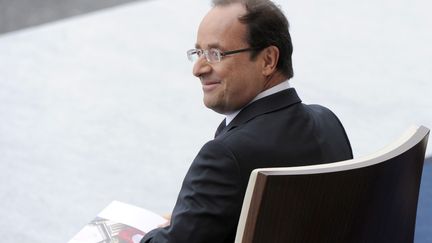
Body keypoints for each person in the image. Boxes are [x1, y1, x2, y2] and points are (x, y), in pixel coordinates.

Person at [141, 0, 353, 242]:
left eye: (215, 54)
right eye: (198, 53)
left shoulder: (226, 155)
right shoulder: (328, 122)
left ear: (268, 61)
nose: (198, 68)